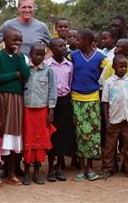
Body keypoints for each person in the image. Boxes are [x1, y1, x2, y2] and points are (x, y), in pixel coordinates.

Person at [0, 27, 30, 186]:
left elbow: (26, 75)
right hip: (3, 98)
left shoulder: (21, 57)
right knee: (1, 134)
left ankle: (11, 173)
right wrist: (15, 75)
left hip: (17, 99)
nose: (17, 43)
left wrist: (18, 57)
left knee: (14, 135)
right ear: (5, 40)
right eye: (14, 39)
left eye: (20, 40)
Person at [68, 28, 107, 182]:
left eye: (78, 40)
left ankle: (90, 168)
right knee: (79, 134)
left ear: (89, 42)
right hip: (76, 99)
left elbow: (105, 79)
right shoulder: (72, 56)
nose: (75, 42)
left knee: (92, 135)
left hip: (93, 99)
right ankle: (82, 168)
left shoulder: (101, 58)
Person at [101, 54, 128, 180]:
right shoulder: (108, 83)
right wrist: (107, 122)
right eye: (120, 66)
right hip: (114, 119)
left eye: (125, 66)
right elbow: (105, 103)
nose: (123, 69)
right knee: (110, 146)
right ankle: (108, 168)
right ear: (114, 67)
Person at [21, 43, 57, 185]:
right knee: (28, 142)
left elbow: (52, 90)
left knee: (40, 143)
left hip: (42, 111)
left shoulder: (48, 71)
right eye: (36, 54)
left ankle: (36, 173)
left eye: (42, 54)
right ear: (30, 54)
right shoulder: (25, 70)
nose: (39, 57)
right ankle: (26, 173)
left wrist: (51, 110)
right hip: (27, 110)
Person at [45, 38, 76, 182]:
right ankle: (50, 168)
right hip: (51, 103)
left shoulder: (69, 65)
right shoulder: (47, 65)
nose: (64, 48)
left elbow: (69, 83)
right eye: (60, 46)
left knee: (64, 134)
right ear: (51, 48)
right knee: (52, 134)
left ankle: (59, 168)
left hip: (65, 101)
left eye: (64, 46)